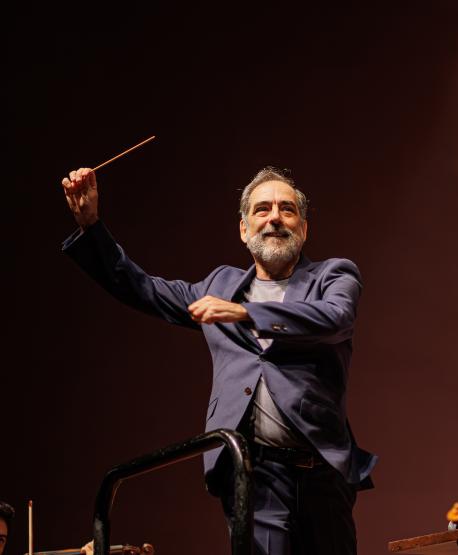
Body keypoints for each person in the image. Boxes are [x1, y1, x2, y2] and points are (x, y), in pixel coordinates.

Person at [61, 166, 376, 555]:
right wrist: (92, 227)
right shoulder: (219, 286)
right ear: (244, 229)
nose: (274, 216)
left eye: (287, 209)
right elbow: (140, 287)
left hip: (323, 472)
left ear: (304, 228)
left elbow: (335, 318)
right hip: (255, 474)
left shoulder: (333, 275)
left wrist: (247, 314)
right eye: (262, 210)